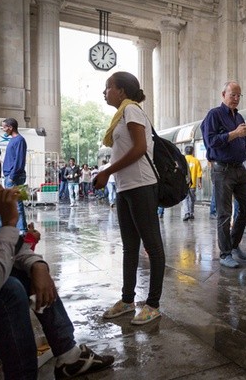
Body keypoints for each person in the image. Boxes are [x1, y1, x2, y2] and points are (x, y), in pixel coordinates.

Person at [0, 149, 114, 379]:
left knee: (26, 271)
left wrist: (38, 266)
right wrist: (9, 224)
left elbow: (13, 252)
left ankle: (69, 355)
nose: (1, 189)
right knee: (7, 290)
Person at [93, 71, 165, 325]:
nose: (105, 92)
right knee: (129, 247)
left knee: (153, 246)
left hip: (142, 186)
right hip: (125, 188)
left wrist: (107, 172)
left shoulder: (132, 110)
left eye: (108, 87)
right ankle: (127, 300)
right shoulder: (121, 114)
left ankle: (153, 304)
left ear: (121, 91)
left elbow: (139, 148)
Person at [201, 81, 246, 268]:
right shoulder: (214, 115)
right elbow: (210, 142)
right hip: (222, 170)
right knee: (224, 213)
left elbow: (242, 143)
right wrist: (234, 133)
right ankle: (225, 253)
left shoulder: (239, 116)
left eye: (238, 95)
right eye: (232, 94)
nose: (236, 98)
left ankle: (234, 245)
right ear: (223, 94)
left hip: (240, 168)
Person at [0, 118, 28, 235]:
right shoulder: (14, 140)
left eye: (4, 127)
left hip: (14, 176)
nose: (3, 129)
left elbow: (19, 160)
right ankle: (20, 228)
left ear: (10, 127)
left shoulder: (19, 140)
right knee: (16, 202)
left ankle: (22, 229)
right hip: (11, 175)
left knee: (17, 202)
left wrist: (12, 176)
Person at [182, 145, 202, 221]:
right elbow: (199, 173)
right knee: (192, 199)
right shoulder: (196, 161)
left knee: (185, 199)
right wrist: (200, 183)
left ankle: (186, 213)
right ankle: (191, 213)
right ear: (193, 152)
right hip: (193, 184)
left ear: (185, 152)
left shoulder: (183, 160)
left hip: (184, 184)